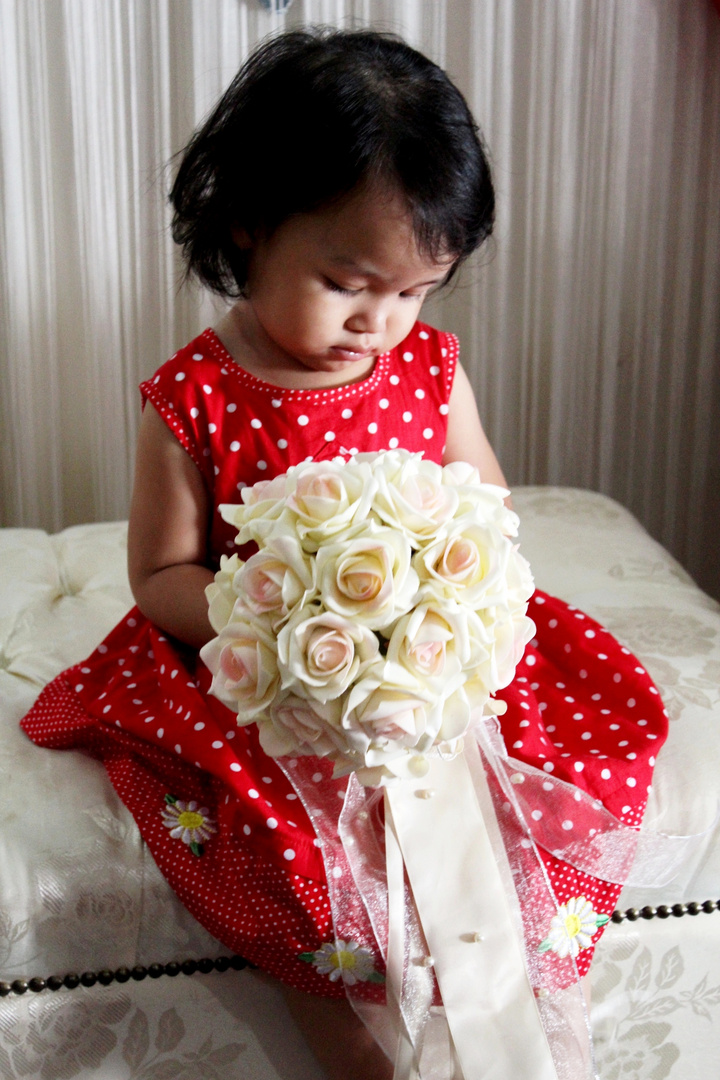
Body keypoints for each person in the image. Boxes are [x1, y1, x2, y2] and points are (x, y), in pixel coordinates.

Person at [20, 28, 667, 1079]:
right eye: (348, 281)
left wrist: (430, 613)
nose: (381, 322)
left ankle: (523, 1003)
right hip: (266, 672)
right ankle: (360, 1055)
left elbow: (485, 509)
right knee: (296, 866)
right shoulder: (195, 395)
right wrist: (271, 626)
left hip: (426, 664)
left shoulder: (428, 368)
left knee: (535, 811)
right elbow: (161, 578)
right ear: (250, 228)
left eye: (416, 290)